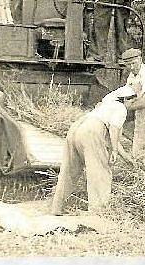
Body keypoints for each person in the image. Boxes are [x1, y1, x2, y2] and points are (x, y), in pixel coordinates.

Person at [51, 85, 136, 215]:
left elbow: (114, 140)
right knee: (100, 171)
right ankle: (98, 210)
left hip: (76, 128)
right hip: (91, 132)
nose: (132, 105)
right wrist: (113, 151)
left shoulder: (105, 107)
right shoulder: (120, 108)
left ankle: (56, 207)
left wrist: (126, 158)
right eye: (131, 101)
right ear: (125, 100)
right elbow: (114, 130)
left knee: (69, 170)